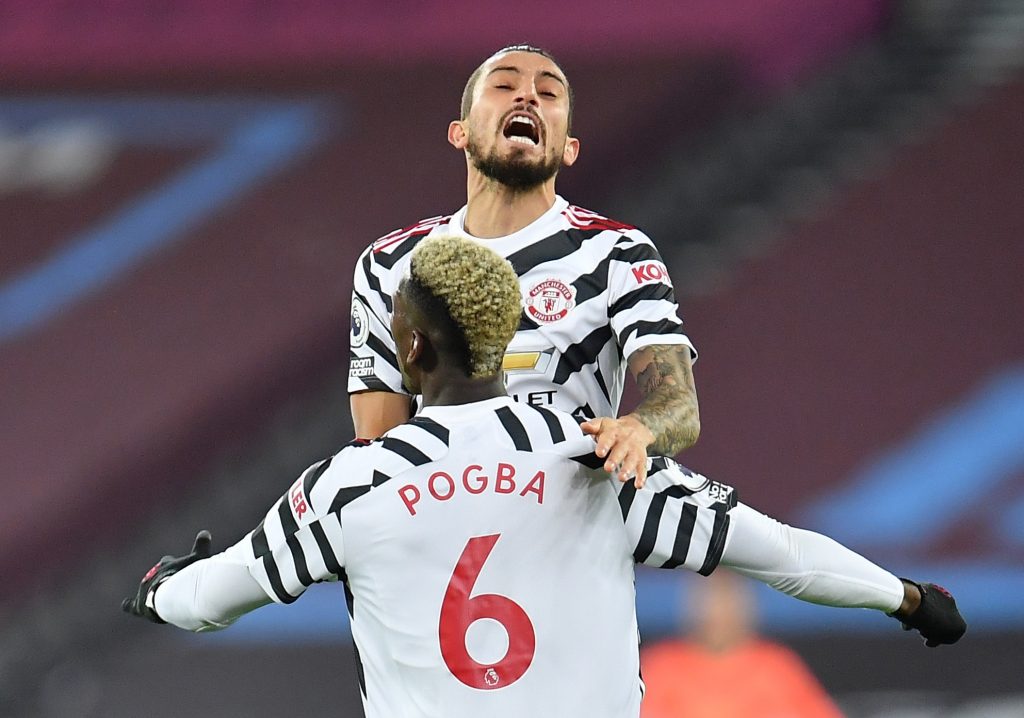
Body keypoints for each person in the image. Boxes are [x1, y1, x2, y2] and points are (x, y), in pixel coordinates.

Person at [125, 237, 965, 718]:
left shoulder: (351, 483)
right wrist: (906, 598)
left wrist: (163, 585)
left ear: (409, 348)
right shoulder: (592, 453)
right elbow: (778, 553)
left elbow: (209, 603)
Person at [349, 44, 699, 487]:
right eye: (504, 84)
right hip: (442, 520)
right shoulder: (390, 262)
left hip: (567, 520)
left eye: (549, 94)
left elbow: (679, 405)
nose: (528, 96)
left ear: (569, 148)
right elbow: (377, 449)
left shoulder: (616, 252)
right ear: (460, 132)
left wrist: (637, 429)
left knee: (783, 551)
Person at [640, 571, 843, 718]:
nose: (717, 609)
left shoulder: (777, 666)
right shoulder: (660, 666)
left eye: (727, 596)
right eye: (709, 595)